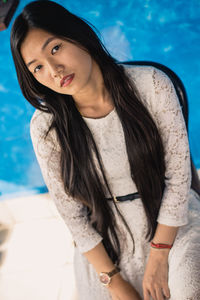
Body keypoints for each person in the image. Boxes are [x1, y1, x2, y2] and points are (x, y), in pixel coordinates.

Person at [10, 1, 200, 299]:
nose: (54, 70)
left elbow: (178, 179)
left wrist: (160, 255)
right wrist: (113, 281)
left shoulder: (152, 84)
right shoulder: (46, 127)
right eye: (38, 67)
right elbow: (72, 216)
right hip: (108, 237)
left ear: (78, 35)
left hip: (169, 218)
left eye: (55, 48)